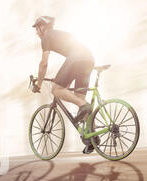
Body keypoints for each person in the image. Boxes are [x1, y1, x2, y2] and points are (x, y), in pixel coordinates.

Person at [32, 16, 98, 154]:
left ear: (42, 27)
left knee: (56, 89)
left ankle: (83, 107)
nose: (36, 32)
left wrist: (38, 84)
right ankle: (93, 136)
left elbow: (43, 63)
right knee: (79, 97)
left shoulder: (46, 37)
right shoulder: (58, 34)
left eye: (37, 29)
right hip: (89, 59)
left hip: (77, 58)